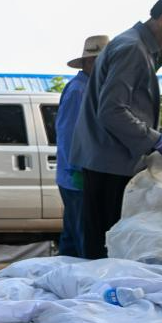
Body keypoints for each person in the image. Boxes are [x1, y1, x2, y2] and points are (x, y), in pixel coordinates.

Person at [71, 0, 162, 259]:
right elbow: (112, 111)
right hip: (109, 162)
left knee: (108, 245)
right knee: (105, 248)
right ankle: (99, 298)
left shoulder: (142, 48)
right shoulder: (132, 48)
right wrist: (158, 141)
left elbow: (132, 105)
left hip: (112, 159)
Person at [54, 35, 108, 257]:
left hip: (81, 173)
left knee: (72, 239)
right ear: (87, 63)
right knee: (83, 238)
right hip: (77, 176)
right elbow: (67, 134)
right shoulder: (79, 90)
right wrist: (76, 169)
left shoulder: (93, 89)